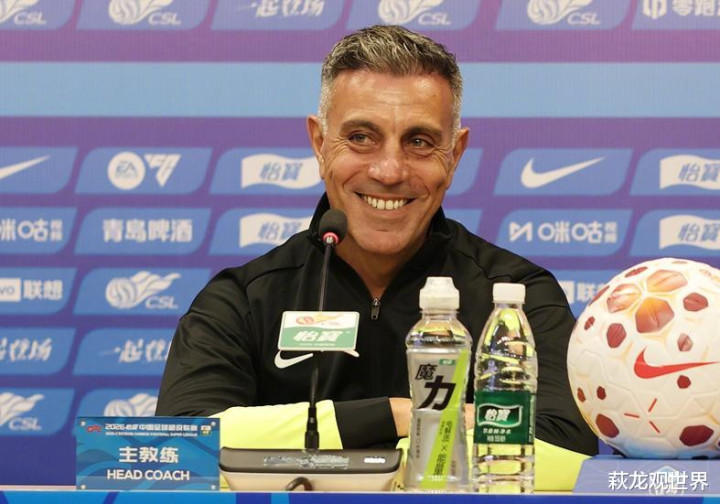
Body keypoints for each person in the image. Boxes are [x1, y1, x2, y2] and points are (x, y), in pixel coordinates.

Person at [156, 25, 597, 487]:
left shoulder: (515, 297)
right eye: (361, 137)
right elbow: (182, 447)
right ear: (319, 143)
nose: (389, 171)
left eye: (419, 142)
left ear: (455, 154)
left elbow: (568, 452)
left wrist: (377, 456)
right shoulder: (243, 299)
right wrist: (392, 416)